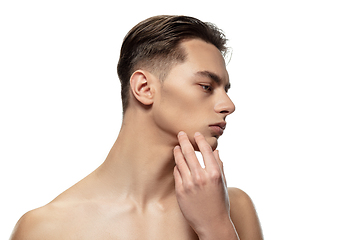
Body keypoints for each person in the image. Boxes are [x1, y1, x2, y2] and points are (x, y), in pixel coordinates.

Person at [10, 15, 263, 240]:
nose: (228, 105)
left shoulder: (233, 209)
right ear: (144, 88)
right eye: (207, 86)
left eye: (225, 90)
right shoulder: (46, 229)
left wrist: (216, 227)